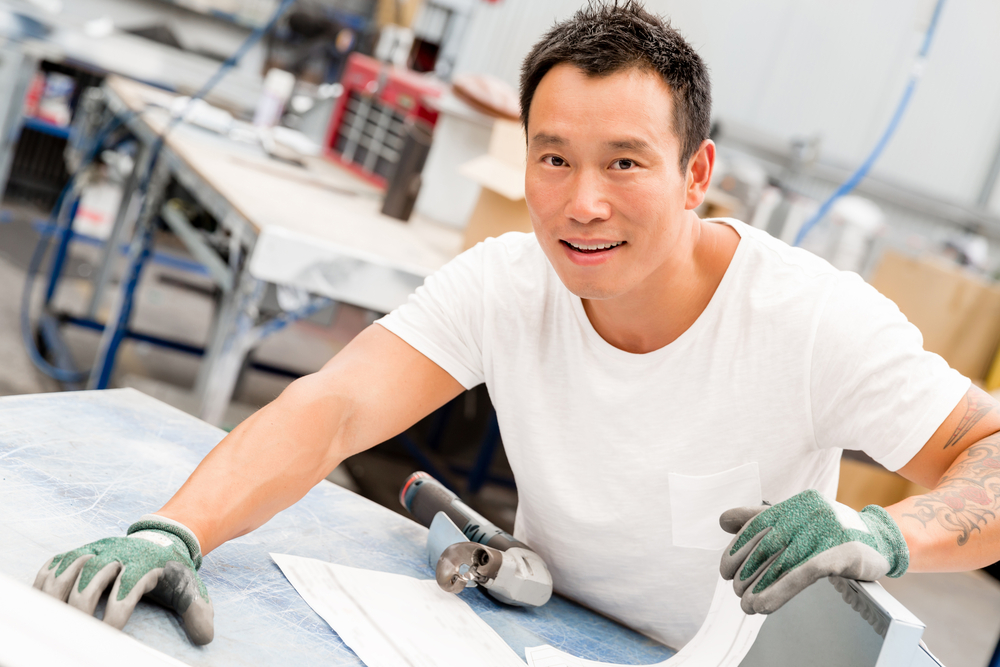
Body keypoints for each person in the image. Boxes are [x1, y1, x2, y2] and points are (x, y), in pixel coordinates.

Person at [33, 0, 1000, 651]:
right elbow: (331, 408)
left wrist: (883, 528)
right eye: (553, 159)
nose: (581, 204)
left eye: (625, 162)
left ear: (697, 175)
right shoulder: (509, 282)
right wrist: (175, 529)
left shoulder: (805, 315)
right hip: (545, 637)